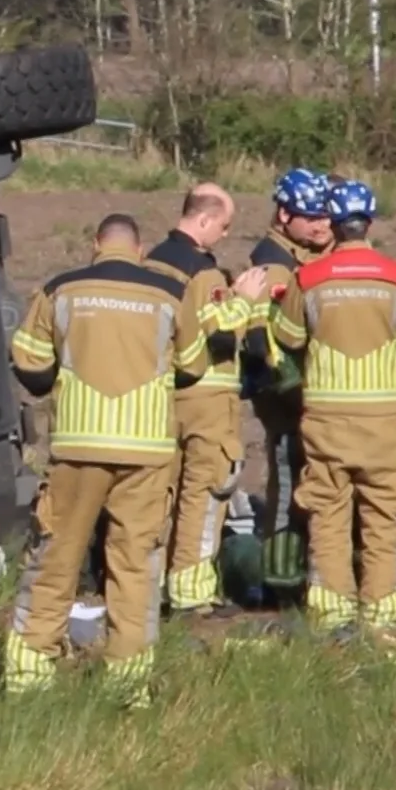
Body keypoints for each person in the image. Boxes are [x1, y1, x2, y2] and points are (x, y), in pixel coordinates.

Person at [5, 213, 259, 703]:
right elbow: (192, 367)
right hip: (147, 453)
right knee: (136, 567)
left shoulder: (61, 289)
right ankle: (129, 685)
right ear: (140, 250)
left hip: (79, 449)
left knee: (54, 558)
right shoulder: (168, 294)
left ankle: (27, 677)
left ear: (95, 244)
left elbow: (30, 363)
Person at [269, 180, 396, 635]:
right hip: (382, 421)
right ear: (370, 223)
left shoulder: (308, 279)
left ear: (334, 226)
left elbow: (288, 339)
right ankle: (382, 614)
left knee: (327, 515)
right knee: (384, 515)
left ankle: (332, 612)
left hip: (326, 419)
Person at [143, 184, 255, 617]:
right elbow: (220, 333)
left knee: (162, 494)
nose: (225, 236)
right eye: (224, 226)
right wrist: (243, 299)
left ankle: (155, 583)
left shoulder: (151, 262)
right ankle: (191, 592)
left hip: (161, 395)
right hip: (206, 397)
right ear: (204, 220)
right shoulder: (203, 273)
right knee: (205, 492)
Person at [239, 168, 334, 598]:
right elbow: (268, 341)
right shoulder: (275, 264)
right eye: (310, 216)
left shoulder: (297, 252)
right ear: (283, 214)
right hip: (287, 397)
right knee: (287, 483)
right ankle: (281, 581)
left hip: (302, 395)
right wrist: (296, 392)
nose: (321, 224)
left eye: (326, 217)